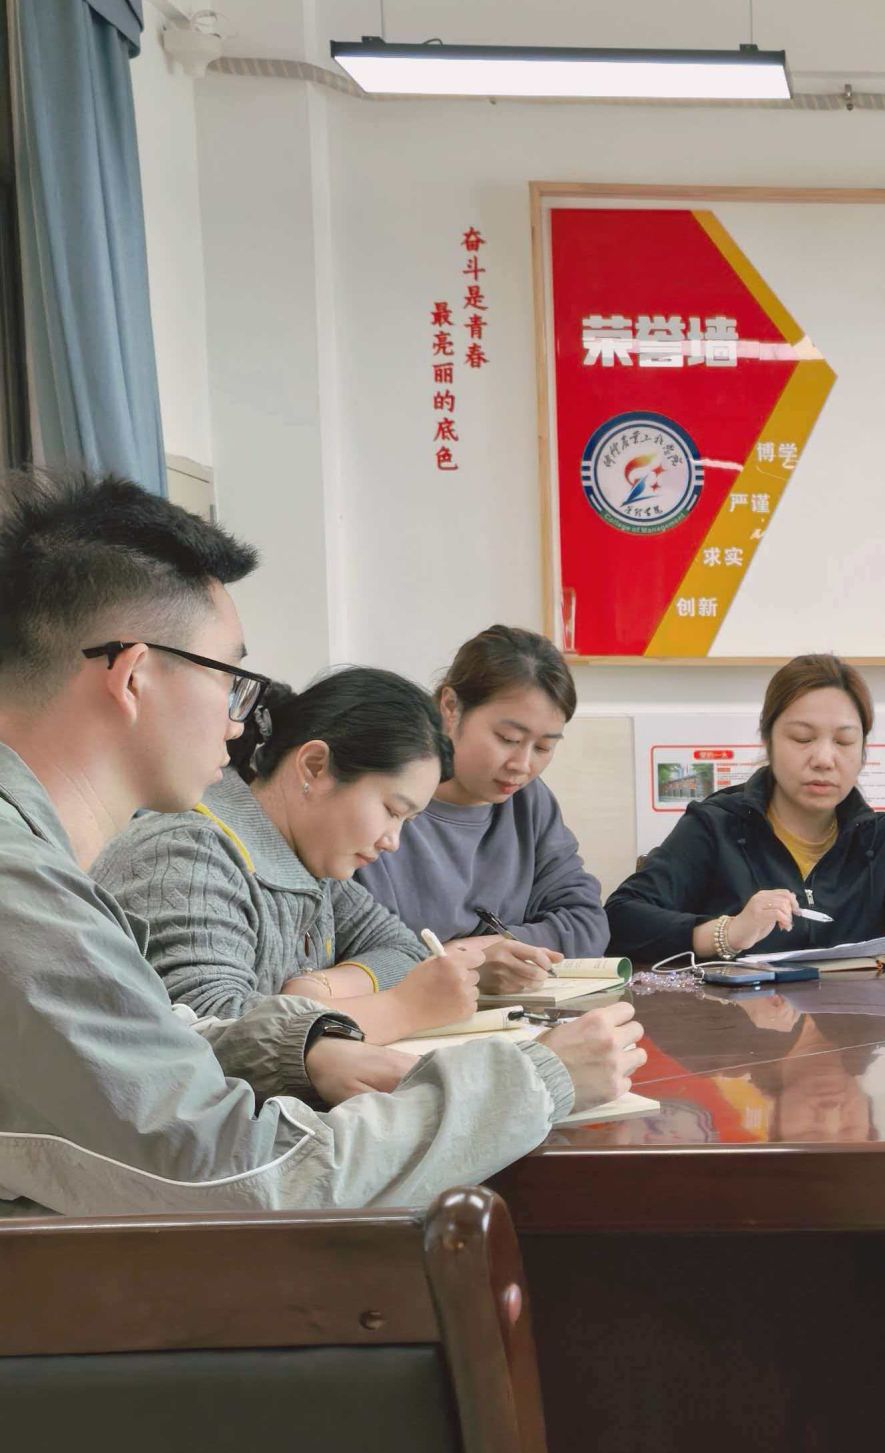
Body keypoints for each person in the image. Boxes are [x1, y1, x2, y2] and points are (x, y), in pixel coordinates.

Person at [0, 471, 640, 1216]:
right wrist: (537, 1080)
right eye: (230, 680)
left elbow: (162, 1036)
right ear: (135, 676)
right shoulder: (28, 889)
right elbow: (245, 1173)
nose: (237, 722)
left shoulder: (41, 867)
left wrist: (305, 1044)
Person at [95, 668, 484, 1043]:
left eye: (406, 821)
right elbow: (211, 1030)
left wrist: (320, 987)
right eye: (391, 810)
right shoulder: (189, 853)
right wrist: (400, 1010)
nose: (392, 841)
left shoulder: (311, 863)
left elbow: (404, 950)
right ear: (315, 767)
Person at [606, 653, 885, 965]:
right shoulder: (716, 826)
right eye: (802, 738)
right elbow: (621, 918)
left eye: (844, 741)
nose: (824, 759)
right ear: (768, 740)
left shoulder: (877, 838)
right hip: (733, 1024)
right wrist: (727, 933)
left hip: (851, 1024)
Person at [357, 625, 605, 997]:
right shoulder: (379, 798)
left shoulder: (529, 801)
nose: (522, 765)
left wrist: (491, 948)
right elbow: (356, 948)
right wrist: (464, 963)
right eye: (508, 739)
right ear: (451, 707)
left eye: (543, 747)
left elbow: (587, 922)